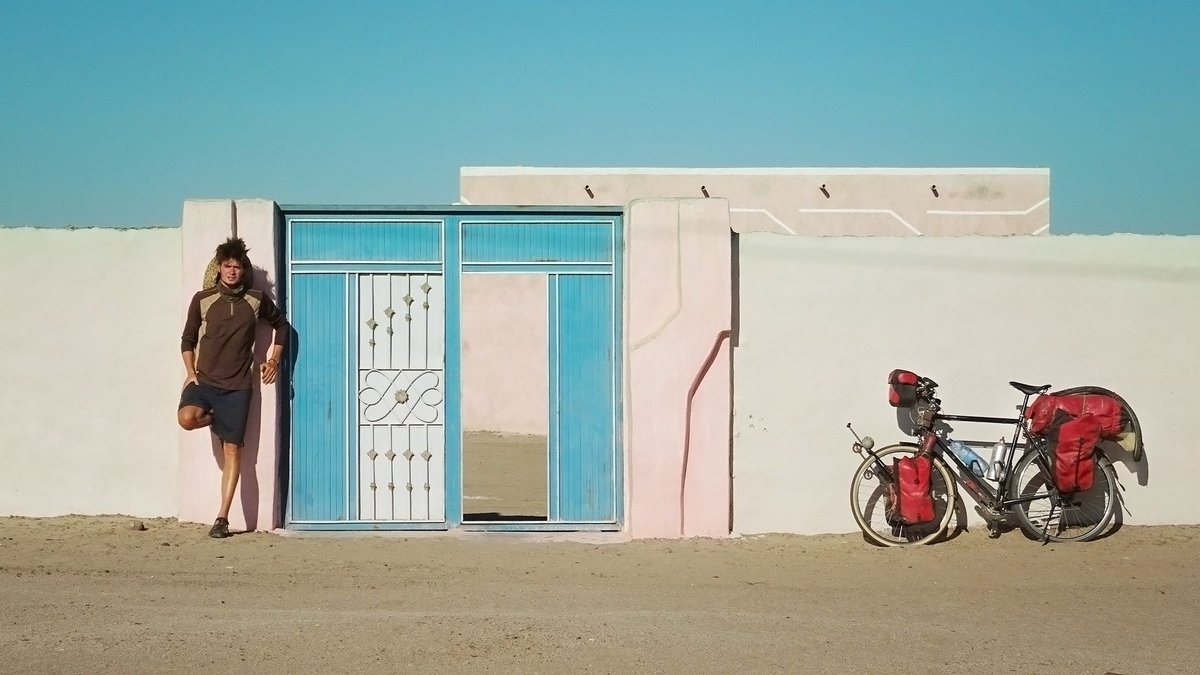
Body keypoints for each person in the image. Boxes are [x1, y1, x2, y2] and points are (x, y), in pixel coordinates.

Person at [178, 237, 289, 538]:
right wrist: (190, 372)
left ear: (243, 270)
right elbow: (187, 339)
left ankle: (222, 519)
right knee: (187, 419)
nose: (231, 271)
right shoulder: (202, 299)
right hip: (203, 381)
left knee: (233, 452)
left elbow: (282, 326)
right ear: (219, 269)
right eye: (227, 266)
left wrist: (273, 360)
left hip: (239, 387)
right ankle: (216, 420)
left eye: (237, 266)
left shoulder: (255, 299)